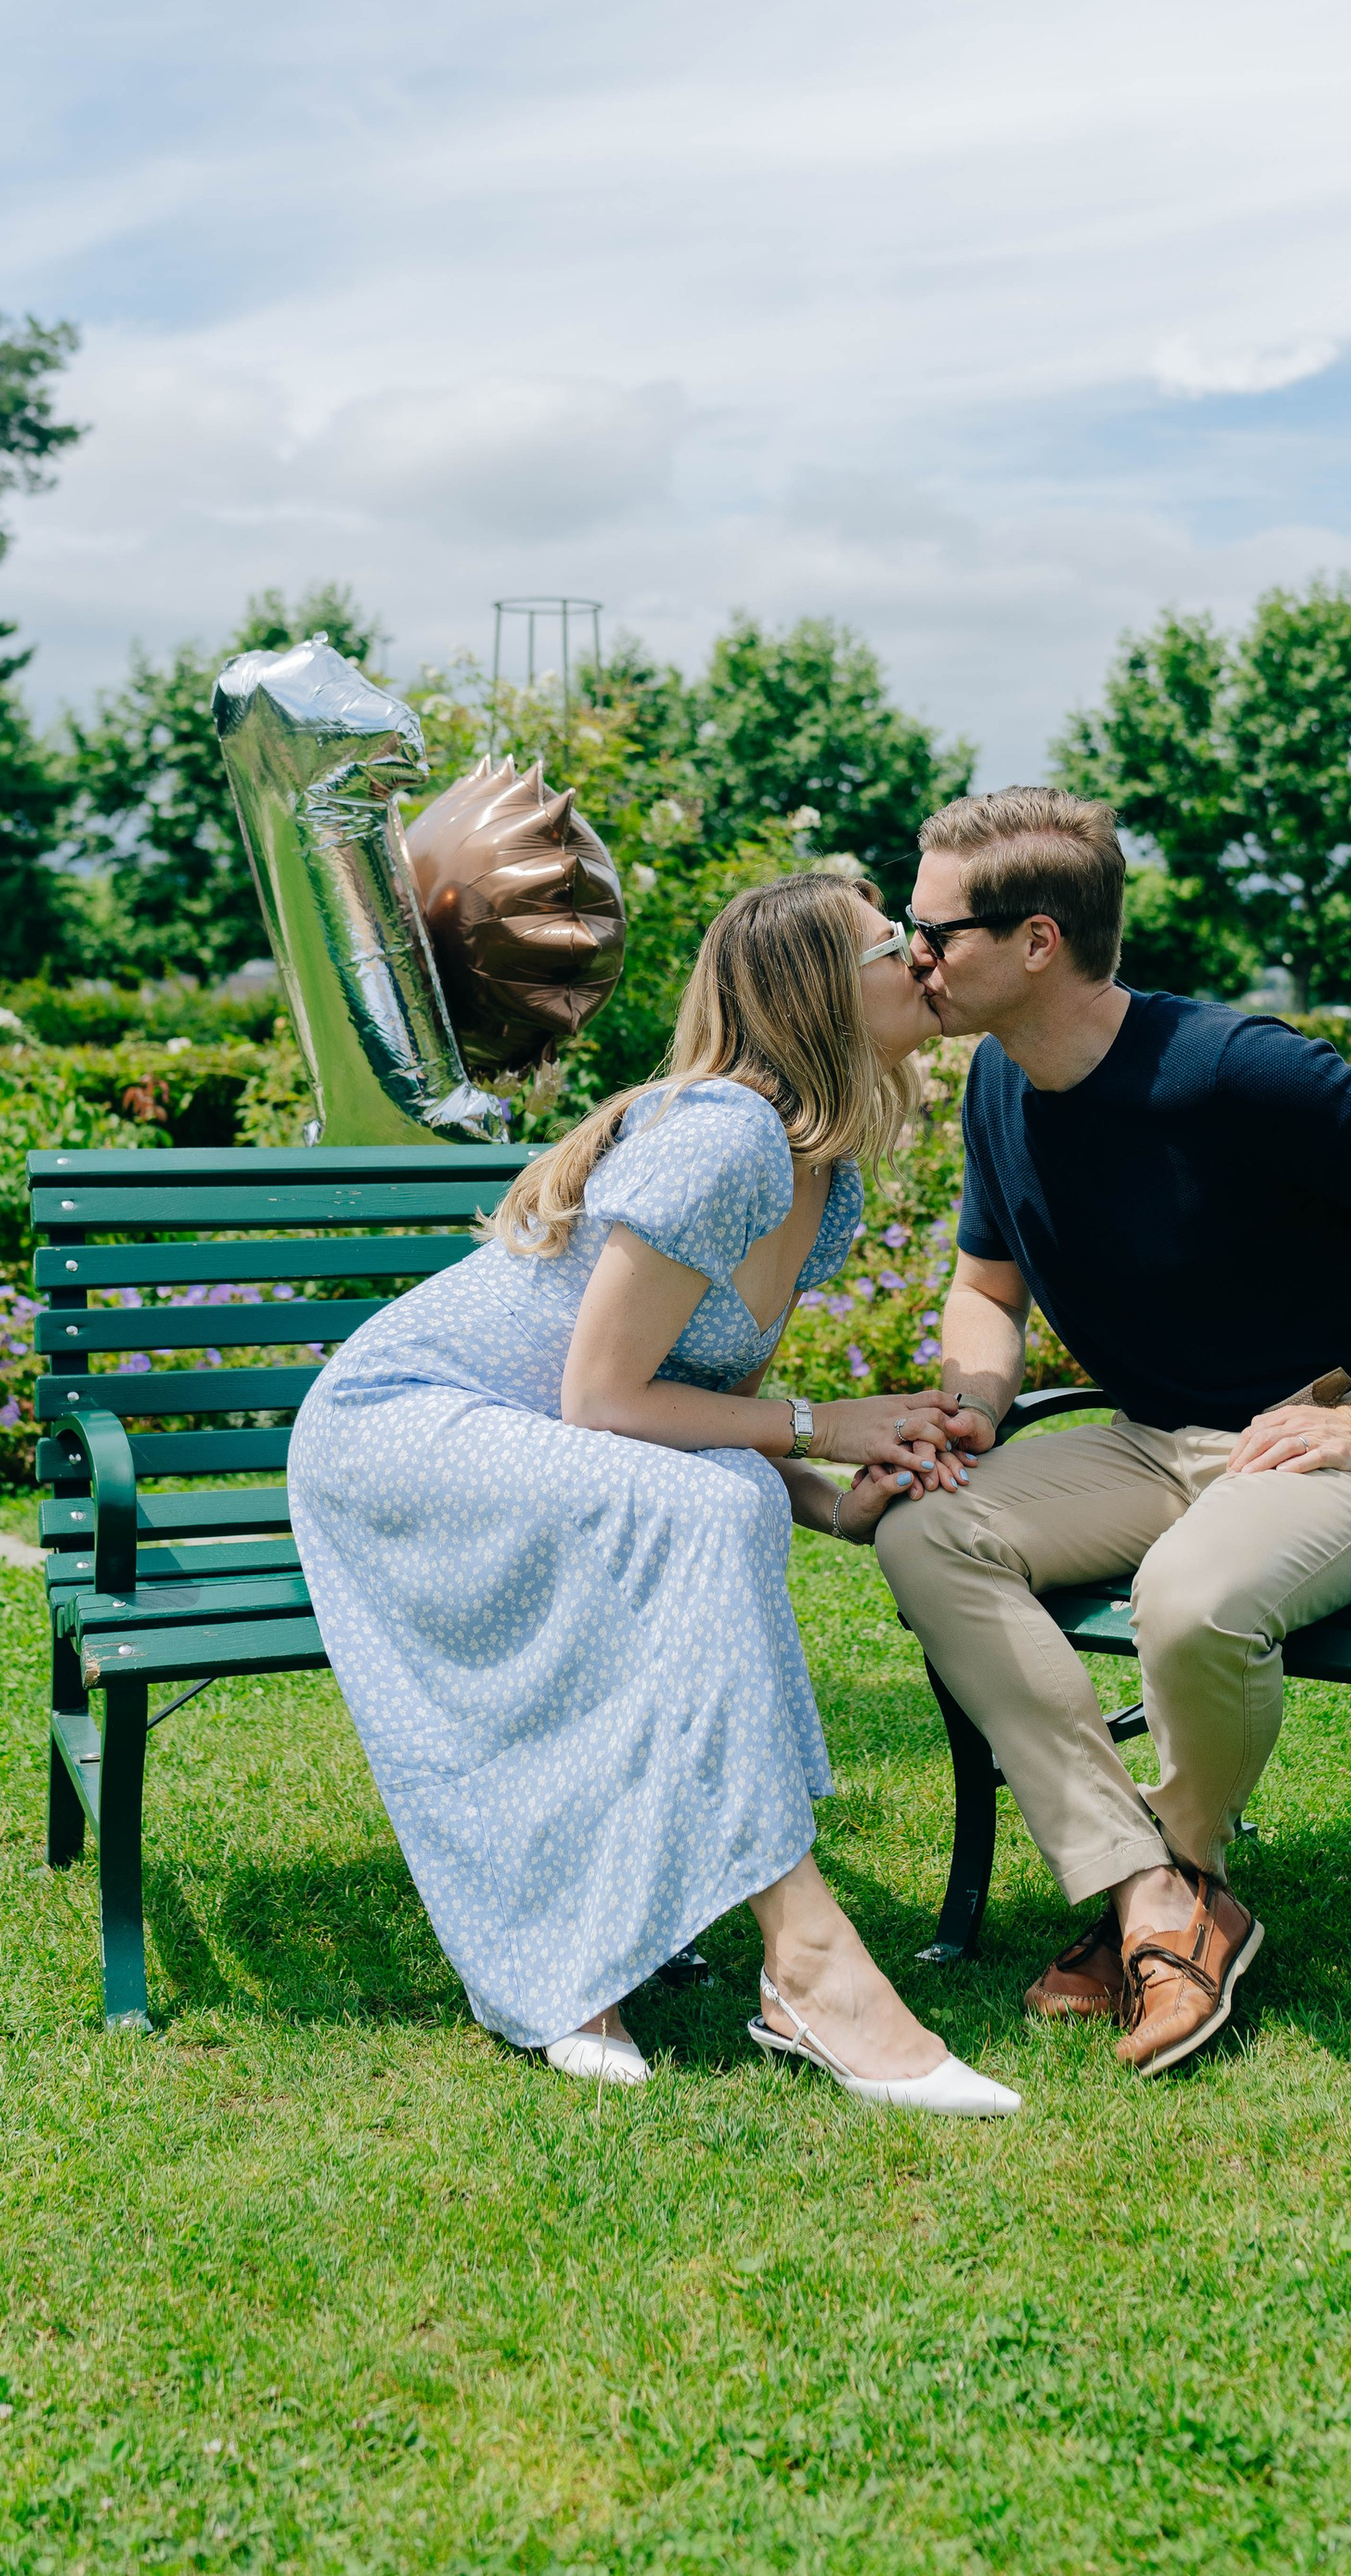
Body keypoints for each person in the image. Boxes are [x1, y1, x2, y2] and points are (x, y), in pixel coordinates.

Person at [289, 871, 1020, 2115]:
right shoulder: (725, 1136)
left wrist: (833, 1488)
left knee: (727, 1491)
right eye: (892, 942)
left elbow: (690, 1411)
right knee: (715, 1500)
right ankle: (806, 1962)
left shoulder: (821, 1180)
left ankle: (622, 1955)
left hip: (543, 1439)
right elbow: (606, 1405)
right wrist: (830, 1428)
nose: (921, 959)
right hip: (405, 1429)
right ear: (817, 994)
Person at [875, 787, 1351, 2078]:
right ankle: (1153, 1896)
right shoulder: (1002, 1086)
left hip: (1347, 1451)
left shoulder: (1235, 1068)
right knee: (926, 1530)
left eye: (933, 931)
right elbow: (986, 1285)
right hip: (1149, 1441)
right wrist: (980, 1399)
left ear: (1039, 941)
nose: (913, 958)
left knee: (1189, 1601)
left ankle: (1178, 1872)